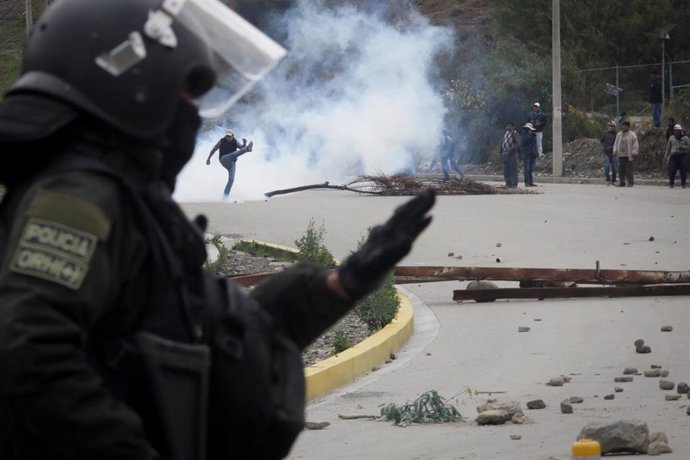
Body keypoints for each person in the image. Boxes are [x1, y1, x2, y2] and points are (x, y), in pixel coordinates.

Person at [0, 1, 437, 460]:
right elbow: (30, 352)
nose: (192, 114)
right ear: (133, 87)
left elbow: (215, 336)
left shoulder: (128, 198)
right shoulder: (77, 197)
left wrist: (337, 286)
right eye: (184, 95)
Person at [206, 129, 253, 200]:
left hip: (231, 163)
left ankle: (224, 198)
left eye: (229, 136)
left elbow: (241, 149)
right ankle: (248, 149)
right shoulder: (221, 141)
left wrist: (244, 144)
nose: (227, 137)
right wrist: (208, 159)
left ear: (232, 136)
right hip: (224, 159)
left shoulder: (235, 141)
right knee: (234, 154)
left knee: (231, 179)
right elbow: (213, 149)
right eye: (226, 136)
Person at [613, 120, 639, 187]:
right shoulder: (619, 134)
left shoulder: (632, 134)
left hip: (628, 155)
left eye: (625, 126)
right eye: (623, 126)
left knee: (629, 170)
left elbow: (635, 144)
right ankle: (622, 182)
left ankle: (630, 182)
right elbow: (615, 143)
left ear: (628, 127)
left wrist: (634, 151)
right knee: (621, 169)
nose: (623, 127)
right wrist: (615, 150)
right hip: (621, 154)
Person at [665, 123, 690, 188]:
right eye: (675, 130)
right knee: (672, 169)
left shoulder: (685, 138)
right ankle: (671, 184)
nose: (676, 132)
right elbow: (668, 148)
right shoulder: (671, 138)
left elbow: (689, 147)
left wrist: (683, 147)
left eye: (677, 130)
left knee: (683, 170)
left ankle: (683, 184)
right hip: (674, 155)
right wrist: (666, 156)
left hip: (683, 155)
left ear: (680, 131)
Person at [499, 122, 520, 188]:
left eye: (510, 126)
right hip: (505, 154)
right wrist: (500, 152)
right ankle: (508, 183)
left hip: (512, 154)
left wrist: (511, 148)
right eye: (507, 126)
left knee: (513, 170)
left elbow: (518, 143)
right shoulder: (506, 134)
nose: (508, 127)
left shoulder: (515, 134)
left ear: (513, 127)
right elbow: (502, 143)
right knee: (506, 170)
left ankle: (514, 184)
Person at [600, 121, 619, 186]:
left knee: (614, 168)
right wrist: (603, 148)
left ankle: (613, 180)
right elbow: (601, 141)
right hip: (606, 153)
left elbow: (618, 143)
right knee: (607, 166)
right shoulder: (605, 134)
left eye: (612, 126)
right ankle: (608, 180)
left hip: (614, 153)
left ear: (614, 127)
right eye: (609, 126)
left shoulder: (617, 134)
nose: (610, 127)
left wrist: (613, 148)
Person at [521, 122, 538, 187]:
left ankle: (531, 182)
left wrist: (536, 153)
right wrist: (528, 135)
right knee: (527, 169)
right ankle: (527, 182)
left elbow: (535, 145)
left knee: (531, 169)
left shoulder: (534, 135)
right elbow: (523, 142)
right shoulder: (523, 135)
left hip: (533, 153)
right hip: (527, 153)